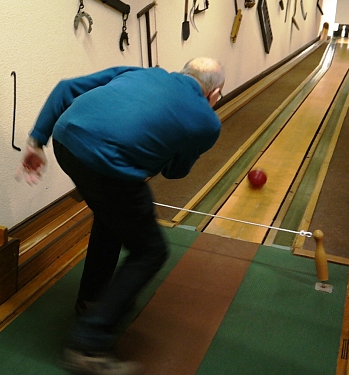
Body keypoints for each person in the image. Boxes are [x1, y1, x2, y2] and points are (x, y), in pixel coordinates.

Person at [17, 58, 225, 375]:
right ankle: (87, 344)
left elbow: (65, 88)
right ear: (216, 94)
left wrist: (36, 141)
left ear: (183, 72)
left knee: (110, 215)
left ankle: (92, 299)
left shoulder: (139, 72)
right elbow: (176, 171)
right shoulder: (208, 122)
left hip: (65, 142)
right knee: (151, 251)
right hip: (110, 165)